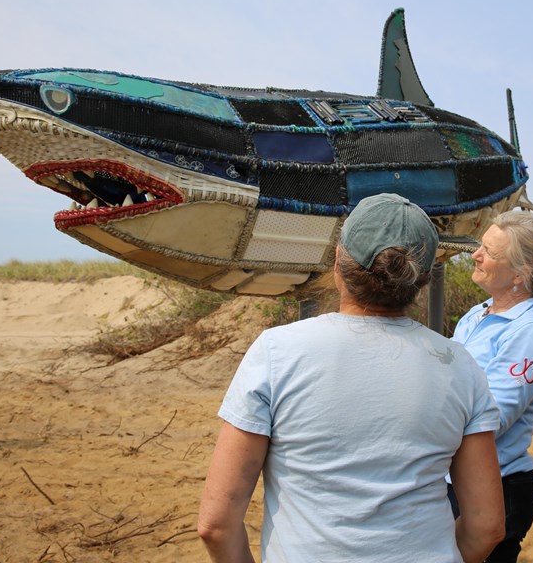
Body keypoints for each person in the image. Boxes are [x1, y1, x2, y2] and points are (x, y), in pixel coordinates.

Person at [198, 193, 505, 563]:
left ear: (338, 261)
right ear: (421, 280)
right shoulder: (459, 365)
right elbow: (487, 525)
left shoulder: (278, 353)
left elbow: (216, 525)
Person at [448, 210, 533, 563]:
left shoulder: (531, 332)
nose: (475, 255)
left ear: (518, 275)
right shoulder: (479, 312)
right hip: (457, 481)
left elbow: (492, 419)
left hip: (497, 487)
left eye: (489, 253)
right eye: (480, 246)